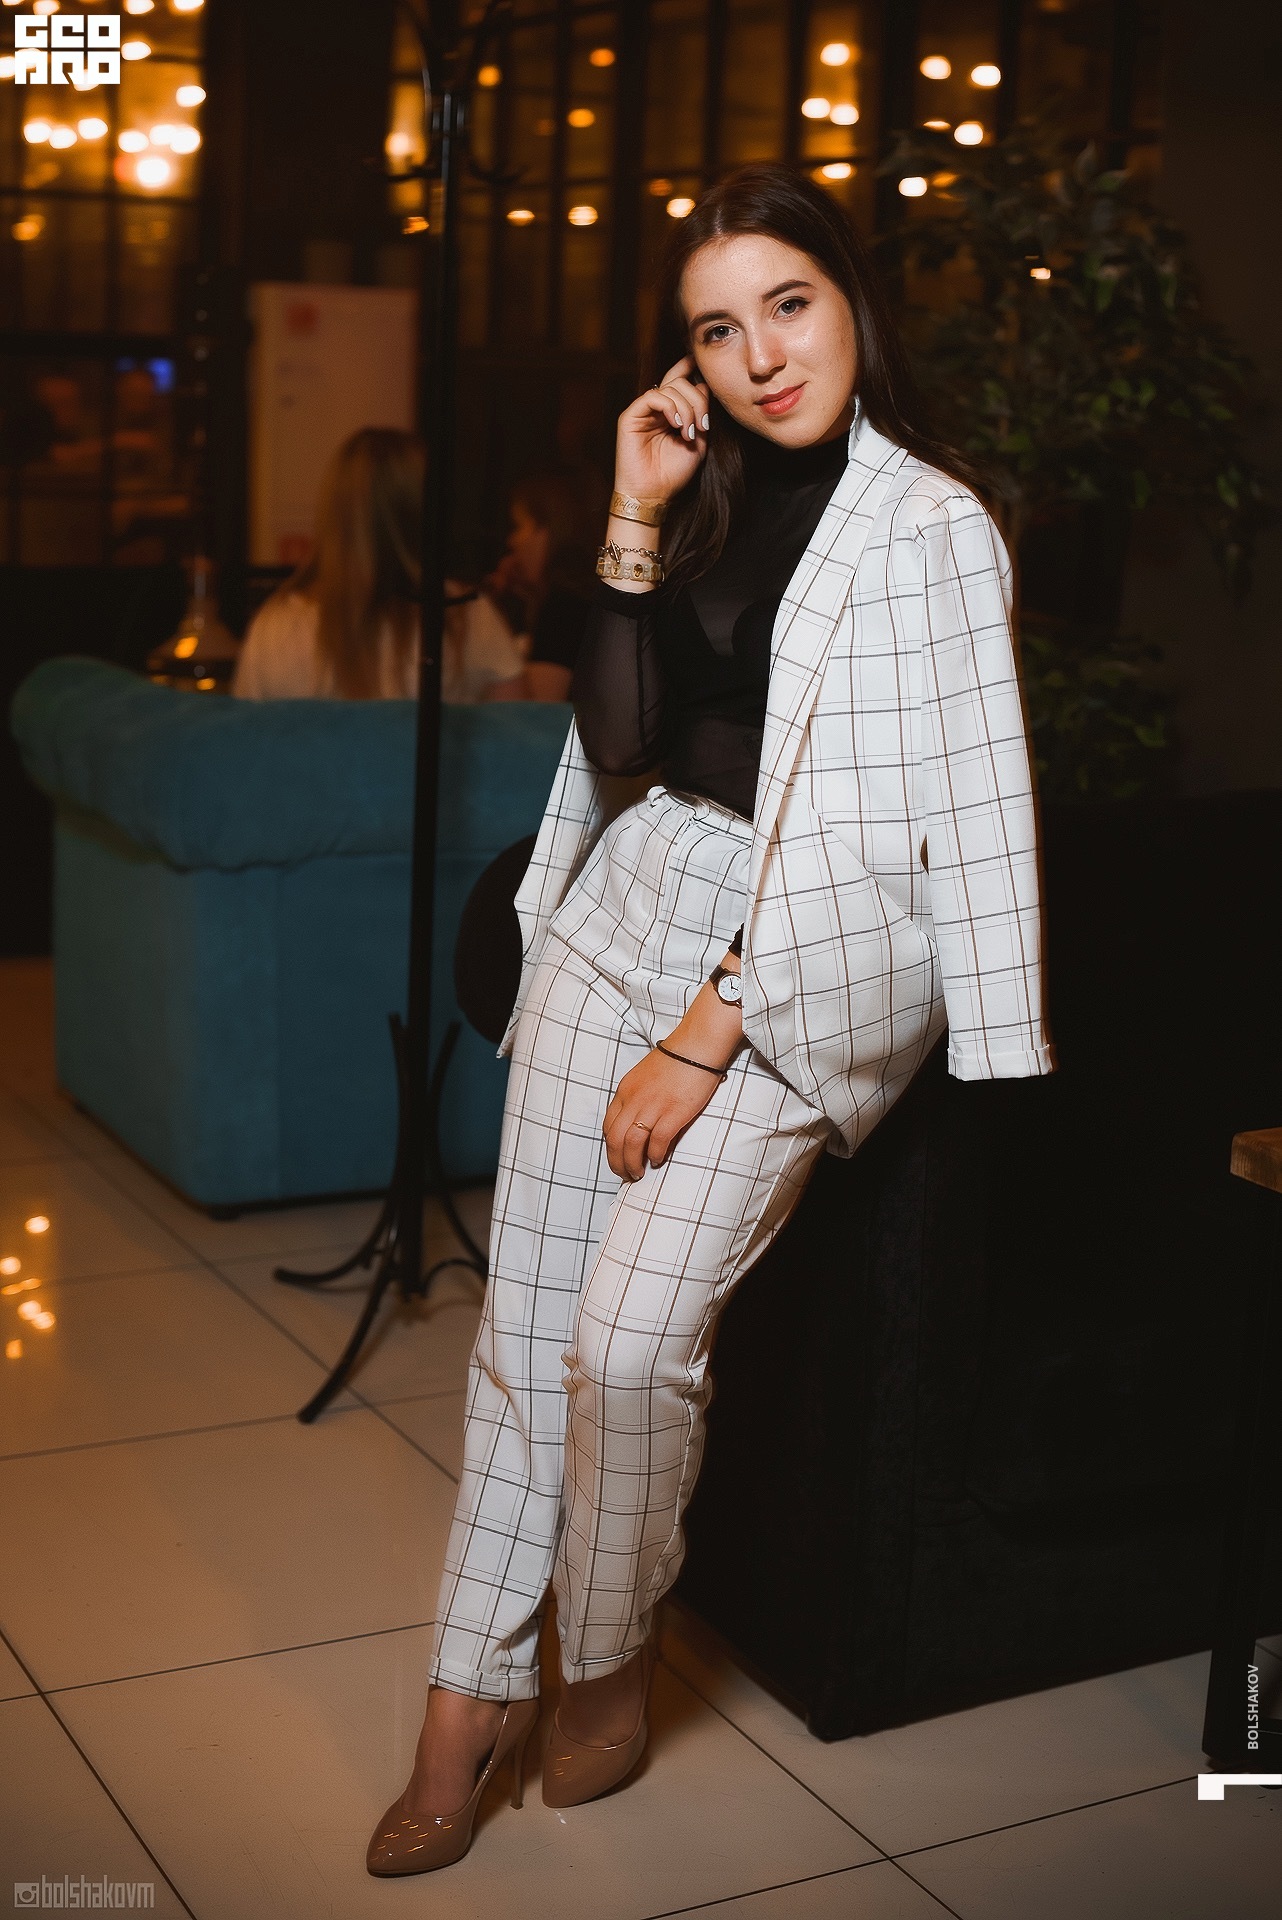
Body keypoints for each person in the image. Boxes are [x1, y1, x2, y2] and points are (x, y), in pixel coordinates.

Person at [367, 163, 1054, 1877]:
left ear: (849, 299)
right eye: (718, 329)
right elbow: (617, 744)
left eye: (789, 305)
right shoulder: (704, 491)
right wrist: (630, 504)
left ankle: (604, 1654)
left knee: (624, 1341)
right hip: (626, 901)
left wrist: (713, 1022)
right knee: (527, 1336)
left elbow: (933, 825)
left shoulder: (930, 526)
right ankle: (463, 1701)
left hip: (804, 951)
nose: (761, 356)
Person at [233, 427, 523, 703]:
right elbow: (518, 729)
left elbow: (245, 732)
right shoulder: (465, 616)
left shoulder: (275, 626)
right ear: (423, 511)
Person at [485, 464, 605, 702]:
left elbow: (539, 708)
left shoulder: (564, 607)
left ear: (547, 532)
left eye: (518, 527)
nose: (512, 541)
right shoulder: (574, 598)